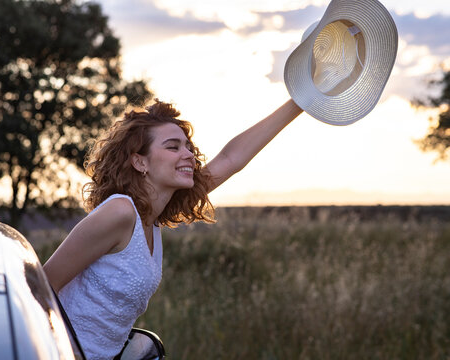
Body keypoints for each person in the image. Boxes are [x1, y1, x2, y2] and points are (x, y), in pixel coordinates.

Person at [43, 98, 303, 359]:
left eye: (188, 147)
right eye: (173, 147)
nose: (188, 154)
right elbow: (41, 286)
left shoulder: (153, 217)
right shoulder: (119, 212)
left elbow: (231, 159)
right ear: (139, 162)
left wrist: (300, 102)